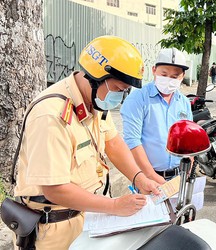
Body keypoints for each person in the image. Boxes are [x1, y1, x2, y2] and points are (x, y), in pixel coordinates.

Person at [12, 35, 160, 249]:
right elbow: (55, 189)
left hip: (87, 217)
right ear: (96, 77)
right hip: (52, 229)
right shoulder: (51, 115)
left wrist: (139, 178)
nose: (120, 97)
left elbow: (114, 143)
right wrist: (115, 205)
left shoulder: (94, 102)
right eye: (119, 89)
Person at [120, 48, 193, 185]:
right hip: (149, 180)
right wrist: (151, 176)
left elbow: (187, 138)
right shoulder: (138, 98)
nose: (168, 80)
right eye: (164, 74)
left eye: (174, 77)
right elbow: (132, 141)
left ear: (182, 76)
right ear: (154, 70)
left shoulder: (183, 102)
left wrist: (189, 164)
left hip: (180, 176)